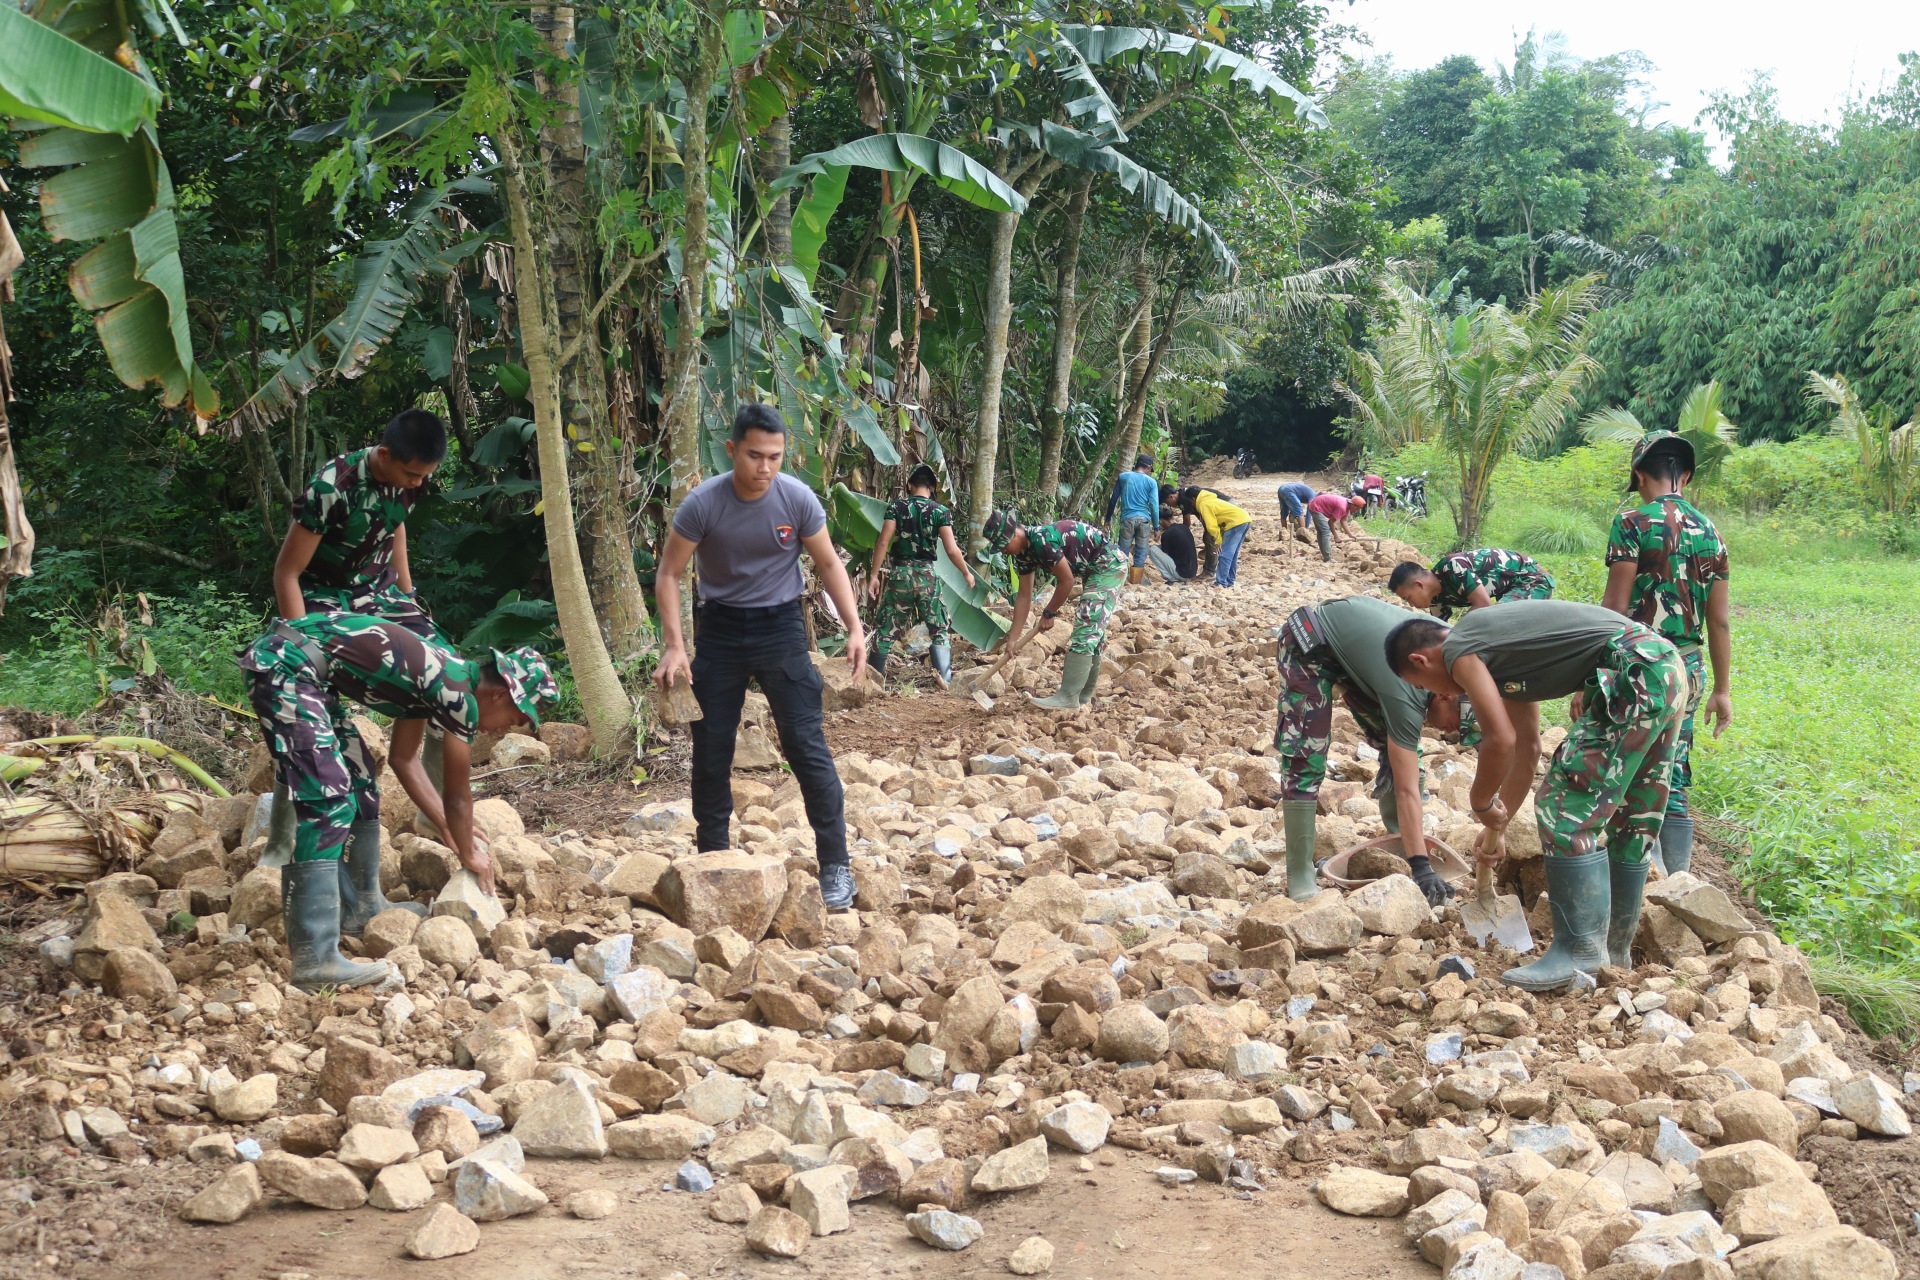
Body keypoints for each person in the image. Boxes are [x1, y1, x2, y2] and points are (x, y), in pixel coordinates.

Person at [237, 613, 554, 991]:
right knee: (328, 802)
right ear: (500, 694)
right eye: (513, 719)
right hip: (284, 668)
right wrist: (467, 847)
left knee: (360, 782)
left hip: (304, 673)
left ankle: (361, 908)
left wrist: (449, 830)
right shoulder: (458, 695)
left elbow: (404, 759)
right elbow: (457, 796)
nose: (502, 730)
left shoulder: (443, 676)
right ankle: (314, 960)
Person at [1386, 600, 1686, 992]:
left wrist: (1480, 803)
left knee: (1563, 803)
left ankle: (1579, 952)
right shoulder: (1501, 653)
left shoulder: (1459, 647)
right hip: (1663, 667)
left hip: (1635, 670)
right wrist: (1500, 822)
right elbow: (1527, 747)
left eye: (1424, 686)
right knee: (1633, 810)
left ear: (1421, 660)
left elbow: (1501, 739)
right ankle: (1614, 955)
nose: (1438, 695)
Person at [654, 404, 868, 911]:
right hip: (721, 629)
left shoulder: (797, 499)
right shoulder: (703, 505)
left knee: (805, 744)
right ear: (732, 451)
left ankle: (836, 866)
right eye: (754, 455)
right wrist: (675, 644)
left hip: (781, 626)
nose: (765, 468)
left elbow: (829, 562)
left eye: (774, 457)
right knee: (711, 751)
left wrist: (855, 627)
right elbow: (669, 574)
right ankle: (714, 861)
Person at [261, 408, 451, 877]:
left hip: (379, 593)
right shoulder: (331, 487)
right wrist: (302, 644)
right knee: (308, 709)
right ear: (383, 455)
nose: (415, 484)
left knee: (446, 674)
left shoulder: (410, 478)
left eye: (423, 478)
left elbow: (396, 523)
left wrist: (407, 596)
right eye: (410, 474)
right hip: (323, 598)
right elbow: (287, 572)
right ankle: (282, 839)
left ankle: (435, 818)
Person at [1600, 430, 1733, 875]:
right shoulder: (1712, 533)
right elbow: (1719, 621)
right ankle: (1678, 882)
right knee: (1673, 769)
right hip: (1690, 667)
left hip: (1642, 661)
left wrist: (1590, 675)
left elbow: (1616, 608)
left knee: (1628, 763)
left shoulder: (1632, 522)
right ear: (1687, 476)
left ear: (1640, 475)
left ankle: (1635, 876)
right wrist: (1723, 689)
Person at [1273, 596, 1461, 907]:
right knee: (1306, 754)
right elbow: (1407, 788)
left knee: (1402, 752)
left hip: (1364, 656)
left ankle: (1401, 844)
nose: (1450, 734)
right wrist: (1422, 868)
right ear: (1444, 696)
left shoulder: (1468, 666)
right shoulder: (1411, 691)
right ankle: (1299, 875)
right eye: (1454, 725)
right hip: (1310, 640)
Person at [981, 509, 1126, 709]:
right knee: (1092, 630)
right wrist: (1013, 638)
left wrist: (1049, 613)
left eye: (1003, 546)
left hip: (1108, 563)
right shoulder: (1024, 553)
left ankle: (1068, 697)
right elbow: (1024, 596)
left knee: (1088, 624)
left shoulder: (1042, 540)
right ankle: (1083, 697)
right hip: (1093, 566)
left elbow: (1067, 581)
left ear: (1014, 534)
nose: (1003, 551)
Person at [868, 464, 976, 686]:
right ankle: (945, 683)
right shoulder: (940, 512)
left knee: (888, 627)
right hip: (927, 576)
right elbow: (952, 549)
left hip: (900, 574)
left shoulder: (896, 507)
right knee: (939, 628)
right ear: (932, 487)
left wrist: (874, 576)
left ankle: (871, 682)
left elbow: (883, 543)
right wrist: (966, 573)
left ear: (910, 485)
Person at [1390, 549, 1556, 618]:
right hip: (1508, 590)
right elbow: (1438, 629)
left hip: (1531, 580)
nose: (1411, 604)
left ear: (1419, 585)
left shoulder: (1452, 567)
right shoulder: (1435, 597)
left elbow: (1483, 605)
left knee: (1498, 619)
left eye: (1408, 597)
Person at [1105, 454, 1161, 585]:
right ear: (1148, 467)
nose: (1149, 473)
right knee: (1141, 550)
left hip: (1127, 519)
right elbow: (1154, 505)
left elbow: (1114, 499)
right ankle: (1136, 581)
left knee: (1123, 549)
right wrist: (1157, 527)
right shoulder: (1151, 482)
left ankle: (1121, 580)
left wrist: (1108, 518)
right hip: (1144, 520)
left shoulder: (1123, 477)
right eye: (1149, 470)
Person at [1186, 485, 1252, 587]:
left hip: (1235, 523)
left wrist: (1217, 542)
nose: (1192, 504)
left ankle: (1221, 582)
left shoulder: (1204, 504)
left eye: (1191, 502)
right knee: (1232, 554)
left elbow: (1211, 526)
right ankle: (1229, 580)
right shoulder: (1211, 499)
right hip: (1244, 519)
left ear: (1193, 499)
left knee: (1224, 554)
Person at [1150, 504, 1199, 583]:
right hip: (1192, 572)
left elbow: (1165, 553)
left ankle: (1171, 577)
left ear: (1160, 521)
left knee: (1152, 550)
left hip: (1182, 574)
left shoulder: (1167, 534)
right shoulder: (1184, 527)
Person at [1304, 490, 1358, 561]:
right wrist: (1336, 536)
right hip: (1316, 506)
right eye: (1357, 508)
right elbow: (1330, 522)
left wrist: (1350, 535)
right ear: (1353, 504)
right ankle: (1328, 558)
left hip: (1317, 503)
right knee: (1325, 531)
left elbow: (1343, 521)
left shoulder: (1347, 506)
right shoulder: (1342, 507)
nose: (1356, 511)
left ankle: (1325, 556)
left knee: (1321, 531)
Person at [1276, 480, 1317, 554]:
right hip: (1288, 490)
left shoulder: (1311, 493)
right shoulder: (1313, 497)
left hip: (1281, 489)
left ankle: (1284, 531)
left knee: (1284, 510)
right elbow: (1308, 513)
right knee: (1299, 510)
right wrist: (1306, 529)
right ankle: (1303, 532)